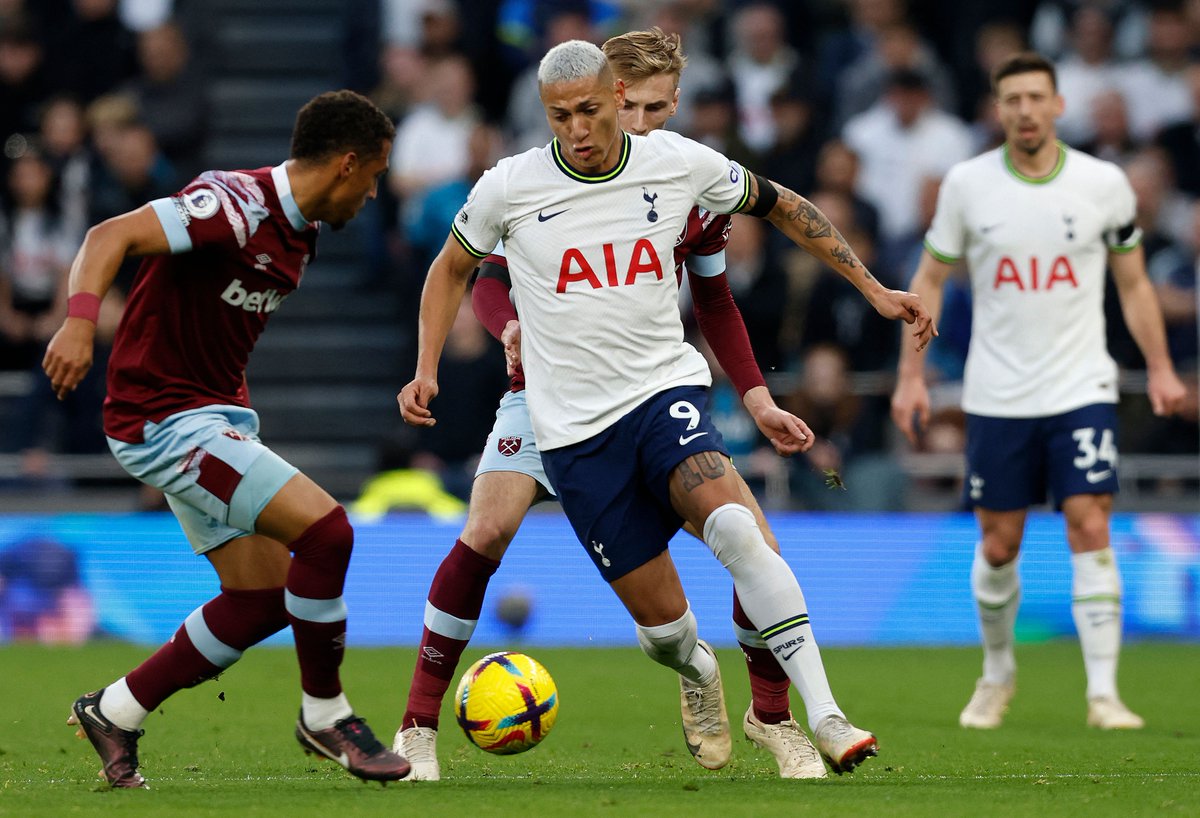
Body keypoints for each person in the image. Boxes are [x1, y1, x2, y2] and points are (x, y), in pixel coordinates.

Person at [399, 38, 935, 780]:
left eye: (596, 110)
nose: (581, 128)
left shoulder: (683, 171)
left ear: (626, 99)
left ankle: (814, 717)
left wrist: (871, 292)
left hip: (660, 394)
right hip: (556, 410)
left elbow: (767, 229)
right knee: (651, 625)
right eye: (561, 116)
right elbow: (464, 270)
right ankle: (693, 668)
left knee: (745, 535)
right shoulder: (513, 186)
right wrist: (450, 355)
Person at [42, 90, 411, 787]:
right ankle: (326, 715)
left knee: (262, 597)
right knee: (328, 533)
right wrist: (81, 322)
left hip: (214, 417)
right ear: (346, 163)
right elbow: (107, 236)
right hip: (161, 419)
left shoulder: (301, 233)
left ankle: (114, 710)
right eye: (373, 176)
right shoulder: (233, 205)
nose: (372, 194)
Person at [891, 52, 1187, 732]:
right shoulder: (968, 184)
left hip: (1081, 384)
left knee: (1090, 522)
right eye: (1012, 99)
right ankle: (997, 673)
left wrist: (1161, 366)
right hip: (997, 393)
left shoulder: (1103, 183)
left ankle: (1104, 694)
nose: (1025, 110)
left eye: (1035, 97)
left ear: (1058, 105)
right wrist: (911, 376)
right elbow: (928, 280)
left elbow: (1134, 283)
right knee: (1000, 544)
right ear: (998, 109)